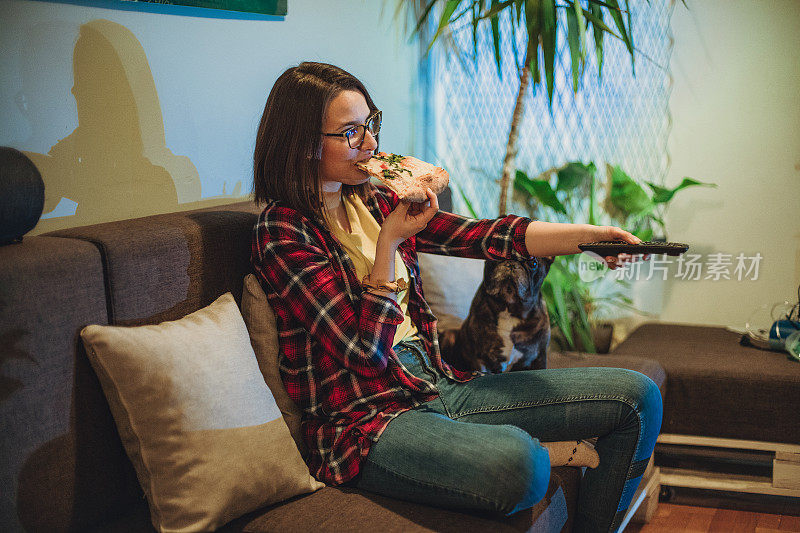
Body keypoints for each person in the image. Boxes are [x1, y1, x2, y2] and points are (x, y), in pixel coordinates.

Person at [251, 61, 662, 533]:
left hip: (435, 383)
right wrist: (389, 244)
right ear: (303, 144)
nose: (370, 144)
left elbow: (482, 236)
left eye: (370, 125)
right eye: (350, 133)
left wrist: (590, 236)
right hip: (368, 422)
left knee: (637, 398)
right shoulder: (283, 230)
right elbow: (364, 353)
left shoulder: (371, 198)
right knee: (520, 465)